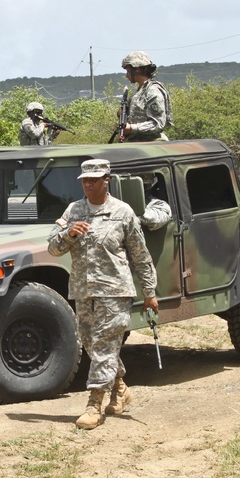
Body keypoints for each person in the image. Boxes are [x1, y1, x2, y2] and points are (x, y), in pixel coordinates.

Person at [47, 159, 158, 430]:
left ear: (106, 180)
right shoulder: (74, 210)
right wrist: (69, 234)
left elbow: (140, 255)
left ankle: (94, 405)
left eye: (93, 180)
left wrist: (149, 291)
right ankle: (119, 387)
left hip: (115, 290)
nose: (88, 185)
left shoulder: (123, 212)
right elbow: (53, 248)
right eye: (85, 180)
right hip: (84, 290)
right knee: (92, 344)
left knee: (105, 343)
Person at [119, 51, 171, 142]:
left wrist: (131, 128)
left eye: (128, 71)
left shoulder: (153, 91)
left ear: (137, 70)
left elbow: (158, 123)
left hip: (153, 145)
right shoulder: (139, 92)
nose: (126, 75)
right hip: (138, 144)